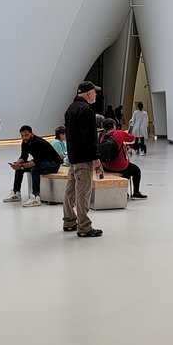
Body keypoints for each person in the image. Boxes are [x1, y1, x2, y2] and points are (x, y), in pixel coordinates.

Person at [62, 81, 103, 237]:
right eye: (95, 92)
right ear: (89, 93)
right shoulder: (85, 110)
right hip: (84, 159)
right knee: (83, 192)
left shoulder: (70, 109)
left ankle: (69, 221)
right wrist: (96, 158)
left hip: (73, 157)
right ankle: (84, 227)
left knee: (70, 191)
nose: (96, 95)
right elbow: (90, 137)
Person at [4, 126, 62, 207]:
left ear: (31, 133)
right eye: (22, 136)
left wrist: (21, 166)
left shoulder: (38, 142)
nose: (24, 137)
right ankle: (16, 192)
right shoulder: (24, 142)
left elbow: (36, 162)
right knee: (20, 169)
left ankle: (36, 197)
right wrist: (18, 164)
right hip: (42, 162)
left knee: (35, 170)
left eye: (26, 135)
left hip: (53, 163)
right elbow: (23, 157)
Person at [101, 125, 148, 199]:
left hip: (106, 166)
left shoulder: (102, 137)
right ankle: (136, 192)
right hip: (119, 166)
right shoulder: (119, 133)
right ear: (114, 126)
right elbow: (132, 138)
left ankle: (124, 192)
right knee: (136, 170)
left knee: (127, 170)